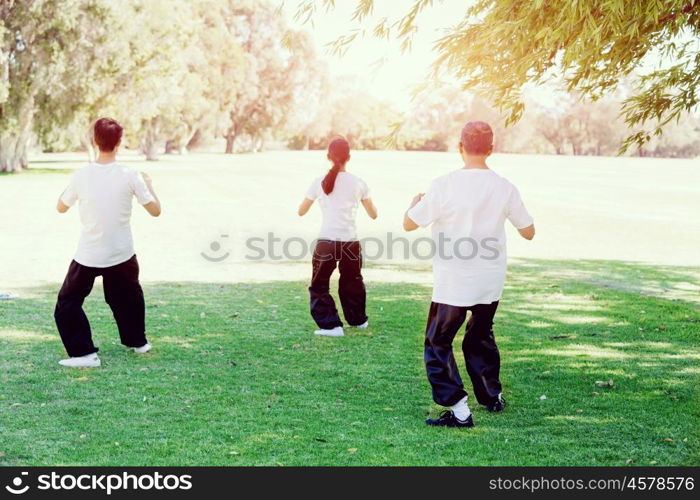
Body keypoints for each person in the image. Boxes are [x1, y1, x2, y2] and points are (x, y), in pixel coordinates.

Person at [403, 121, 535, 428]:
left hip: (455, 280)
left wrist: (413, 205)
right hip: (490, 279)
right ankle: (491, 396)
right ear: (491, 149)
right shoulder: (505, 186)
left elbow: (409, 224)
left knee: (438, 342)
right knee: (480, 336)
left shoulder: (443, 184)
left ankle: (459, 410)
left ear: (459, 146)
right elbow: (528, 232)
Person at [54, 117, 162, 368]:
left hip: (90, 253)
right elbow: (155, 210)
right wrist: (149, 185)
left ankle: (84, 354)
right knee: (128, 297)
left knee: (68, 303)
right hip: (121, 252)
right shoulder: (131, 175)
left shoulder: (82, 175)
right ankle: (139, 343)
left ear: (94, 141)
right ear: (119, 143)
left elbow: (61, 207)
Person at [298, 137, 378, 337]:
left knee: (319, 285)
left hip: (327, 241)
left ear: (328, 157)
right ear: (349, 157)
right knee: (353, 280)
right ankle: (358, 321)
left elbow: (301, 211)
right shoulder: (359, 183)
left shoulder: (319, 182)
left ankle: (332, 326)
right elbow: (373, 214)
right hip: (350, 241)